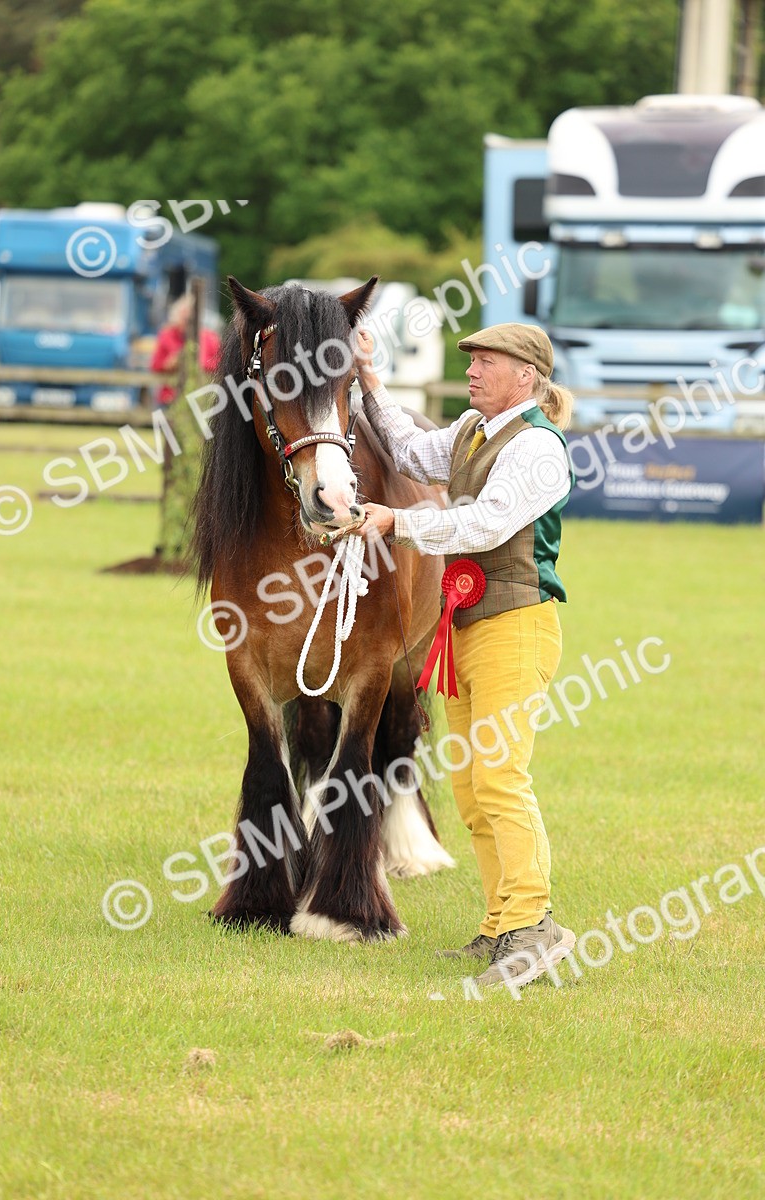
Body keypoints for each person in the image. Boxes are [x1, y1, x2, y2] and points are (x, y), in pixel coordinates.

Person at [354, 322, 576, 992]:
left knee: (501, 777)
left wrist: (397, 522)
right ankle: (501, 925)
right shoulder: (473, 433)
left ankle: (534, 926)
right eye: (472, 361)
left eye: (486, 361)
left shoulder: (537, 445)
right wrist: (369, 380)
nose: (473, 371)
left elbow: (486, 522)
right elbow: (410, 449)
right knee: (473, 786)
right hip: (467, 627)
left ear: (525, 377)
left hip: (514, 625)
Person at [150, 294, 221, 406]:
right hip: (171, 397)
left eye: (189, 319)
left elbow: (219, 365)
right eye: (183, 318)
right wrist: (168, 364)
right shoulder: (166, 336)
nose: (186, 323)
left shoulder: (210, 338)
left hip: (201, 396)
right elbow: (155, 365)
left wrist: (198, 363)